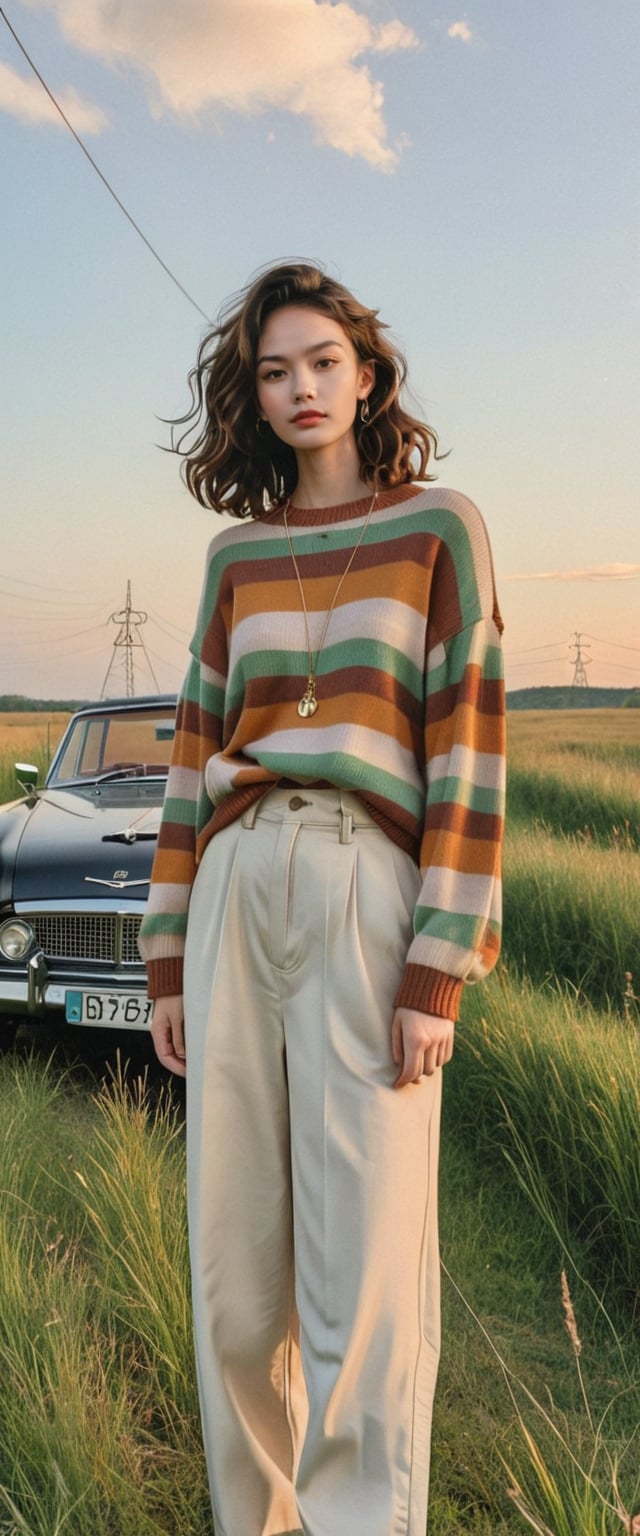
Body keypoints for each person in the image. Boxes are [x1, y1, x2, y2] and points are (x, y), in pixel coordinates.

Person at [139, 260, 505, 1536]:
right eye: (273, 371)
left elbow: (468, 745)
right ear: (251, 396)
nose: (300, 390)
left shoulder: (438, 527)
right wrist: (168, 962)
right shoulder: (233, 557)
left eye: (322, 363)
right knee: (237, 1275)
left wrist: (435, 967)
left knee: (365, 1272)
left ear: (366, 371)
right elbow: (192, 759)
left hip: (366, 888)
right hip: (236, 888)